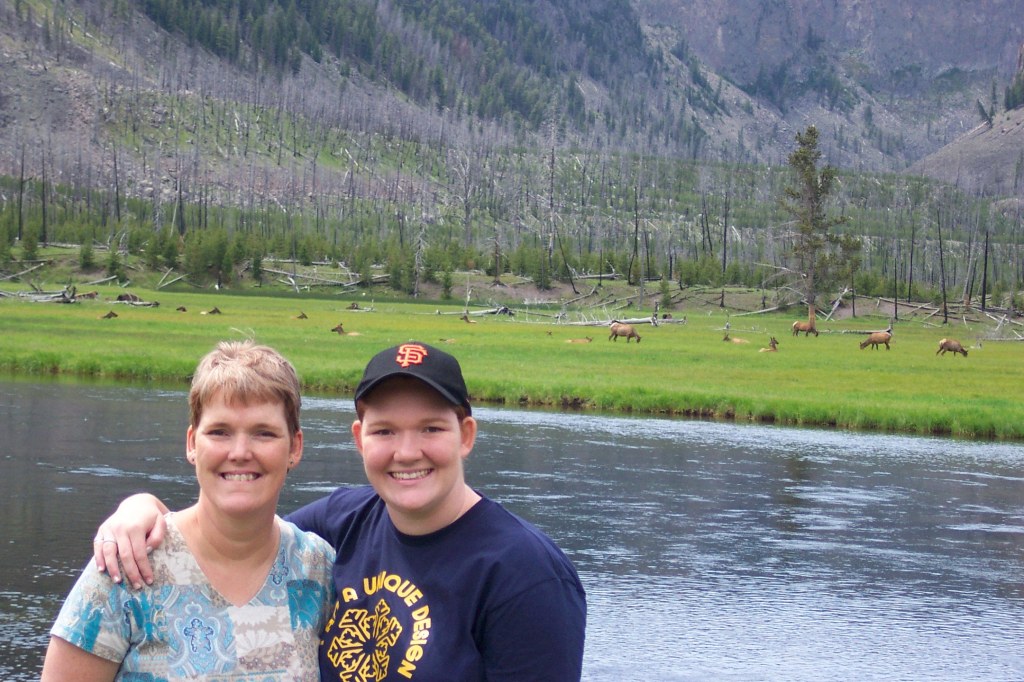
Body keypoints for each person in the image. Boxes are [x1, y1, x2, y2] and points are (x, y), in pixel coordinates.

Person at [94, 341, 588, 680]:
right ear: (359, 439)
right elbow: (235, 534)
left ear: (466, 436)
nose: (407, 451)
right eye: (384, 430)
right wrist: (144, 508)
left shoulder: (526, 575)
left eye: (431, 429)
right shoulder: (341, 523)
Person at [44, 341, 335, 681]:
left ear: (295, 447)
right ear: (192, 443)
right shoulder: (128, 564)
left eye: (264, 433)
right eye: (220, 432)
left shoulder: (318, 570)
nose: (240, 452)